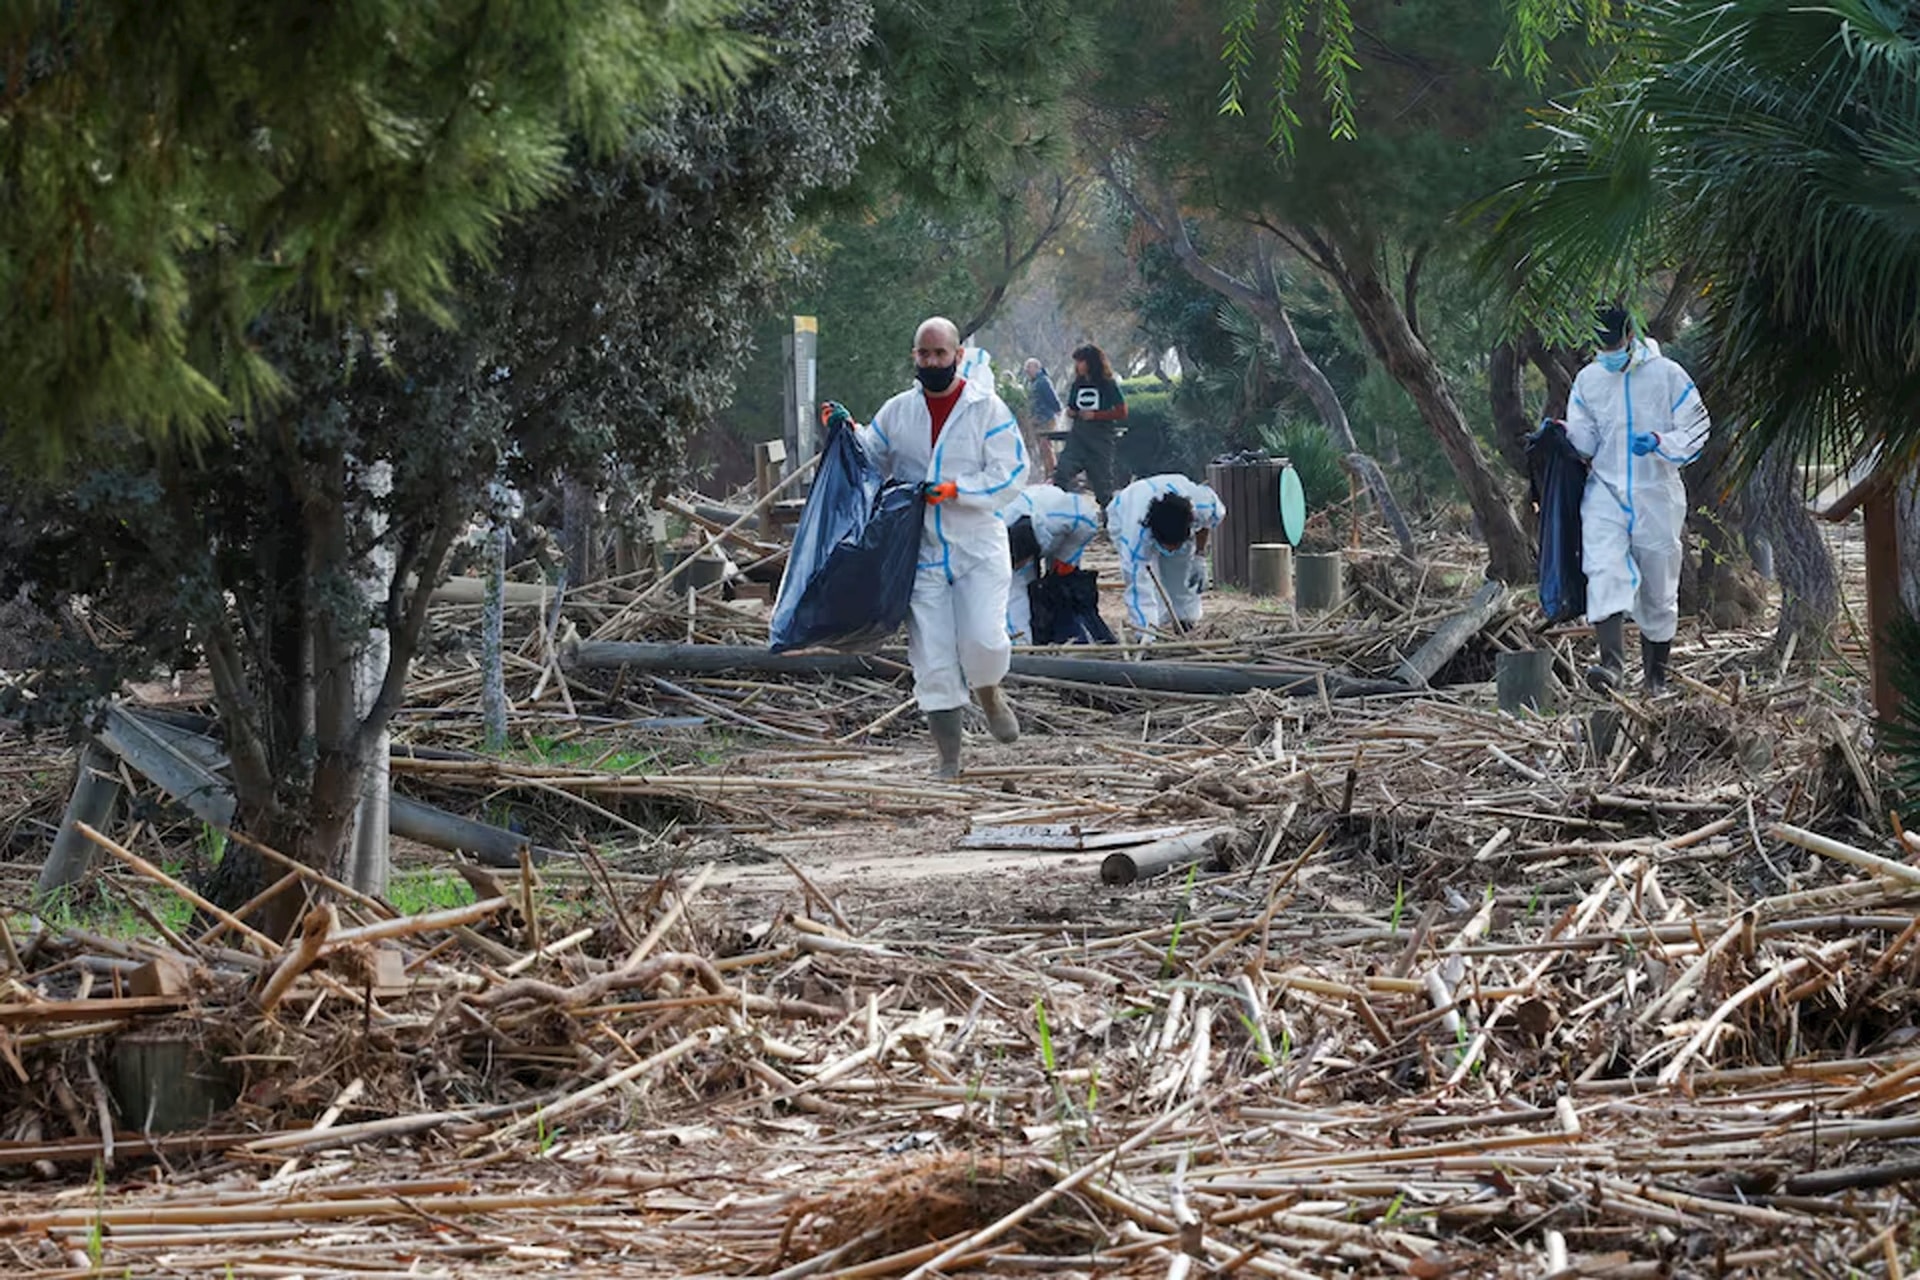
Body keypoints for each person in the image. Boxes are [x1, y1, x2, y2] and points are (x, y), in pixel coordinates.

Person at [825, 316, 1028, 778]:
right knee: (932, 658)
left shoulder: (986, 409)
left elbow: (1013, 473)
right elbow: (871, 454)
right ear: (914, 357)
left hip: (976, 543)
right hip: (919, 550)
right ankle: (950, 761)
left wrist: (958, 489)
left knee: (983, 638)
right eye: (924, 354)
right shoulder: (899, 410)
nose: (932, 362)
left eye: (940, 354)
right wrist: (844, 429)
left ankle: (989, 690)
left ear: (958, 356)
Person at [1566, 305, 1711, 694]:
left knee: (1658, 586)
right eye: (1602, 345)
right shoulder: (1588, 380)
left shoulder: (1667, 375)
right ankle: (1611, 667)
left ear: (1630, 335)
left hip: (1656, 492)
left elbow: (1697, 427)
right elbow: (1584, 439)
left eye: (1614, 343)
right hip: (1606, 491)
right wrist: (1565, 437)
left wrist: (1662, 443)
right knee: (1603, 568)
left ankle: (1655, 679)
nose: (1609, 352)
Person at [1107, 474, 1225, 641]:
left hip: (1178, 510)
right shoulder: (1136, 534)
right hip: (1126, 508)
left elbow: (1206, 523)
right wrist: (1146, 636)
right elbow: (1137, 583)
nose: (1171, 550)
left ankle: (1185, 621)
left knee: (1181, 571)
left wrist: (1199, 556)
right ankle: (1150, 629)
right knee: (1147, 581)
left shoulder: (1203, 504)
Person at [998, 483, 1102, 645]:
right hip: (1015, 543)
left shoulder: (1063, 514)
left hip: (1061, 535)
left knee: (1062, 588)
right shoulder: (999, 524)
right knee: (1018, 590)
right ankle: (1023, 642)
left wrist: (1067, 556)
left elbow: (1087, 520)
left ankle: (1069, 634)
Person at [1050, 344, 1128, 506]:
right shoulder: (1077, 384)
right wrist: (1071, 412)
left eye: (1081, 361)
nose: (1077, 366)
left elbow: (1122, 411)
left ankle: (1109, 520)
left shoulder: (1108, 384)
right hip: (1078, 437)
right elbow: (1072, 407)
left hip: (1100, 438)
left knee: (1103, 484)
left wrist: (1097, 415)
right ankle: (1059, 510)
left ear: (1091, 362)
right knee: (1062, 473)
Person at [1021, 357, 1062, 474]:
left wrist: (1058, 410)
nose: (1027, 371)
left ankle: (1051, 472)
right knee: (1043, 448)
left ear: (1036, 368)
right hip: (1037, 420)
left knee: (1046, 447)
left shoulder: (1043, 381)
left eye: (1029, 368)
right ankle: (1048, 471)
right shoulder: (1033, 383)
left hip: (1045, 419)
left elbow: (1052, 397)